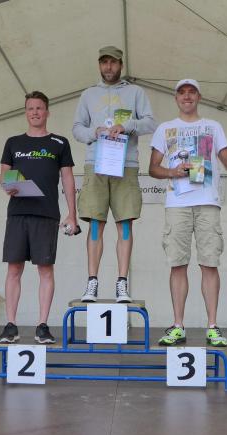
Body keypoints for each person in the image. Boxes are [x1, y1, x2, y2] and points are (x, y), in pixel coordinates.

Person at [149, 79, 227, 347]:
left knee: (210, 263)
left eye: (191, 92)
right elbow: (153, 168)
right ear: (175, 98)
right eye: (182, 93)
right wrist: (172, 171)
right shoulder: (165, 128)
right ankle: (178, 325)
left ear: (199, 97)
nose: (187, 96)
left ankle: (213, 326)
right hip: (177, 204)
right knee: (177, 264)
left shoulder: (213, 126)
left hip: (207, 202)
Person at [72, 45, 156, 303]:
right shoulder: (88, 94)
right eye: (104, 62)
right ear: (99, 64)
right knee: (95, 223)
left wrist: (127, 126)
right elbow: (77, 128)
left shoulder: (135, 92)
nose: (108, 67)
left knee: (125, 224)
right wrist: (94, 132)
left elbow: (150, 123)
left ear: (121, 64)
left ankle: (122, 283)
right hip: (96, 163)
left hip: (125, 165)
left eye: (113, 62)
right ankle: (92, 283)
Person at [0, 91, 77, 344]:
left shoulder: (59, 143)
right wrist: (7, 185)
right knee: (14, 269)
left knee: (45, 270)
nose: (35, 112)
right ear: (25, 112)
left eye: (39, 108)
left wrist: (72, 214)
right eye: (30, 108)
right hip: (18, 212)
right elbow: (4, 174)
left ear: (47, 112)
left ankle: (42, 325)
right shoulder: (13, 142)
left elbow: (68, 179)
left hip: (47, 214)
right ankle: (11, 325)